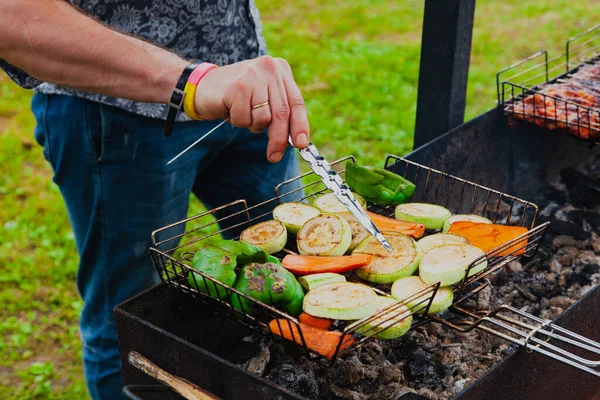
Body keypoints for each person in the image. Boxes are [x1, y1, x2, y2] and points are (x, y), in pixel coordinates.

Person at [0, 1, 309, 399]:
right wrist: (192, 82)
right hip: (116, 112)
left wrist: (235, 76)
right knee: (131, 322)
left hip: (249, 88)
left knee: (295, 274)